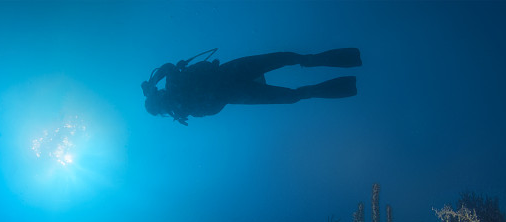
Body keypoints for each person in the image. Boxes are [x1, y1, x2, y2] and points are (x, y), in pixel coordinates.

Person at [141, 48, 362, 125]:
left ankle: (341, 84)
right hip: (230, 75)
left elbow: (213, 109)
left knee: (292, 95)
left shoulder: (182, 110)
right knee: (287, 60)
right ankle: (334, 60)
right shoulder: (174, 88)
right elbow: (168, 67)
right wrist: (152, 83)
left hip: (234, 93)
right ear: (157, 96)